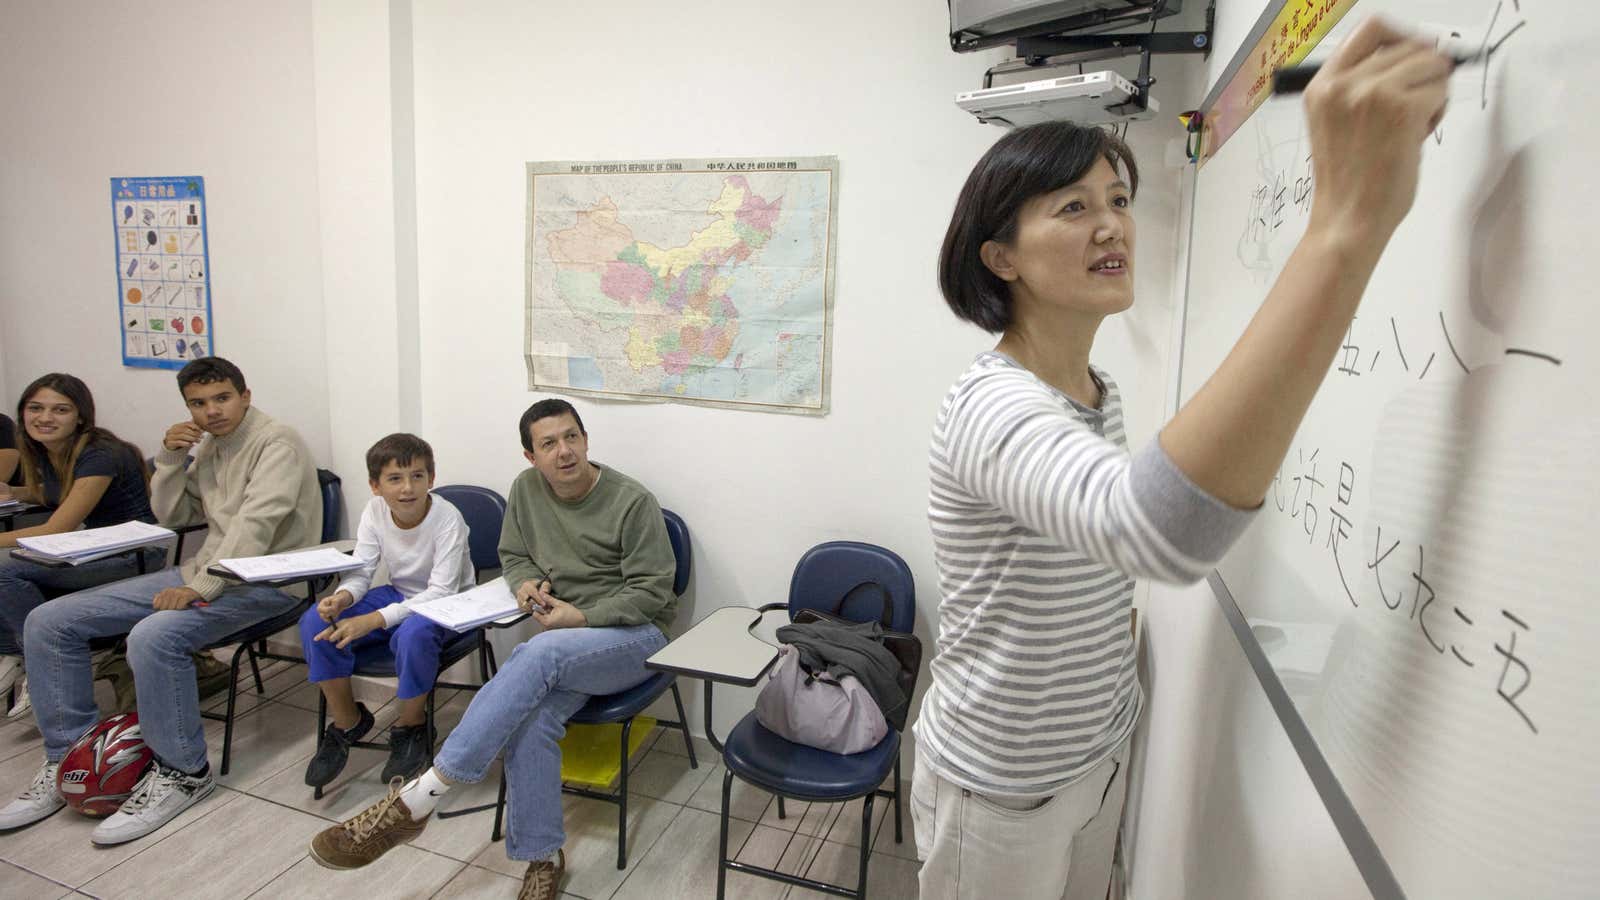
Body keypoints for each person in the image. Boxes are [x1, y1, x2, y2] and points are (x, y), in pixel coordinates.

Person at [912, 19, 1454, 900]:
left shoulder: (1097, 387)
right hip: (1003, 786)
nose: (1111, 223)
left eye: (1119, 200)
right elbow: (1156, 533)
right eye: (1073, 206)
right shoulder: (992, 405)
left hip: (1096, 751)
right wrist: (1344, 227)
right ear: (1000, 256)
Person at [307, 398, 677, 900]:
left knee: (535, 655)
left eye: (571, 437)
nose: (563, 451)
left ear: (586, 440)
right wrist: (524, 585)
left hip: (634, 637)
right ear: (530, 456)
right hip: (567, 642)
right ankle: (542, 858)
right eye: (548, 444)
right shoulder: (526, 490)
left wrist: (581, 616)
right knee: (531, 721)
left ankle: (420, 796)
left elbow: (653, 592)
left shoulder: (631, 501)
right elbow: (514, 555)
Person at [0, 356, 322, 845]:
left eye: (222, 399)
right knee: (48, 621)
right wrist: (170, 462)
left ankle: (182, 773)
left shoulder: (278, 442)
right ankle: (70, 760)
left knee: (153, 636)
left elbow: (256, 526)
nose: (211, 412)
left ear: (245, 395)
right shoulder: (211, 445)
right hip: (204, 570)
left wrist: (200, 588)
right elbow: (169, 515)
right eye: (198, 403)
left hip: (267, 580)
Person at [300, 432, 473, 788]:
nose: (407, 487)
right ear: (375, 485)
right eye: (395, 478)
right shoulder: (374, 510)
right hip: (398, 593)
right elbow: (362, 569)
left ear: (432, 479)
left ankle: (410, 726)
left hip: (448, 604)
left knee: (414, 634)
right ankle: (348, 721)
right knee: (315, 621)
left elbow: (441, 591)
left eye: (418, 476)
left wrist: (375, 619)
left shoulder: (447, 518)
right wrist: (344, 598)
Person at [0, 375, 162, 721]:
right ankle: (22, 659)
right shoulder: (52, 449)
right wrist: (15, 493)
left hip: (133, 555)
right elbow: (57, 493)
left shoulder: (100, 454)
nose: (45, 418)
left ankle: (36, 664)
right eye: (35, 408)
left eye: (60, 410)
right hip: (90, 550)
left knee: (3, 569)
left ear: (81, 417)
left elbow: (57, 528)